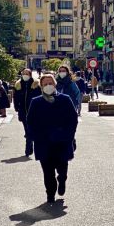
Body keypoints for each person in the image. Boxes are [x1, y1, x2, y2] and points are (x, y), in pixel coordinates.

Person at [27, 74, 78, 204]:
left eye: (50, 83)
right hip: (43, 143)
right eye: (45, 84)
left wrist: (69, 136)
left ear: (55, 84)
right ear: (41, 86)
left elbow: (73, 120)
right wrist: (34, 137)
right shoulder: (36, 101)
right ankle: (50, 194)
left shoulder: (65, 99)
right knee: (48, 172)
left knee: (62, 168)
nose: (48, 86)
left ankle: (62, 181)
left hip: (62, 141)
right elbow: (30, 121)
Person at [14, 69, 42, 156]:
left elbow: (40, 96)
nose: (25, 75)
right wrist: (16, 107)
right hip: (23, 111)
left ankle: (29, 148)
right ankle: (29, 148)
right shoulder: (18, 84)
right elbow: (15, 97)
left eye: (27, 74)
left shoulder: (36, 84)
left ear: (30, 75)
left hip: (34, 111)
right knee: (27, 130)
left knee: (31, 130)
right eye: (24, 73)